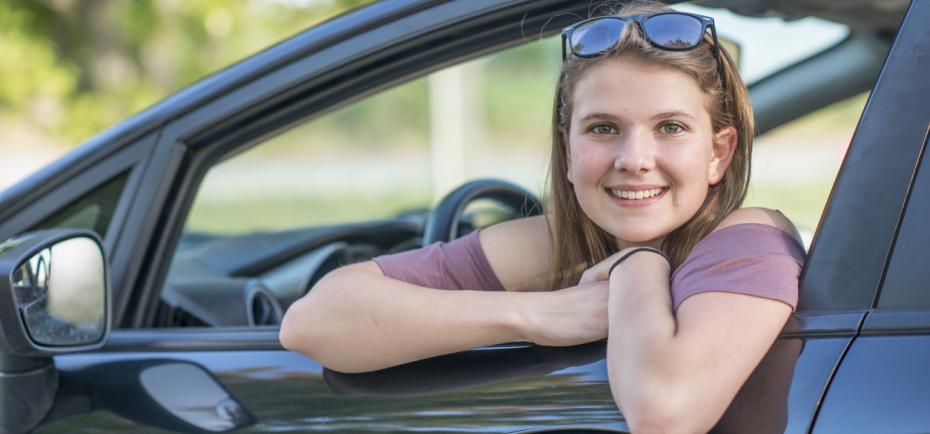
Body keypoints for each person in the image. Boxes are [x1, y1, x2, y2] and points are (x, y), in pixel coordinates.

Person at [279, 1, 805, 432]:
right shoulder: (557, 243)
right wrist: (540, 314)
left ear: (720, 153)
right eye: (603, 129)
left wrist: (636, 265)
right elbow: (312, 322)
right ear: (568, 150)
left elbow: (664, 411)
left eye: (670, 127)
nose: (634, 159)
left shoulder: (752, 238)